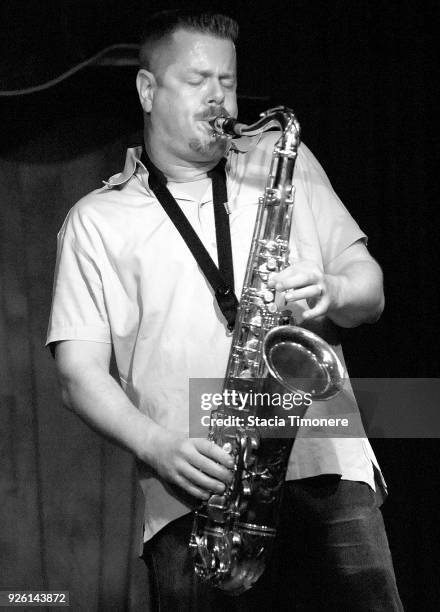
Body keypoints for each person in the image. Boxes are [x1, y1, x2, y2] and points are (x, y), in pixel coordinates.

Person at [46, 9, 404, 612]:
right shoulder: (96, 220)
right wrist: (158, 446)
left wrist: (334, 291)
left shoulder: (284, 161)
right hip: (197, 490)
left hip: (324, 459)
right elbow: (77, 375)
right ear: (147, 89)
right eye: (197, 81)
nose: (220, 99)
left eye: (228, 82)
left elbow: (370, 288)